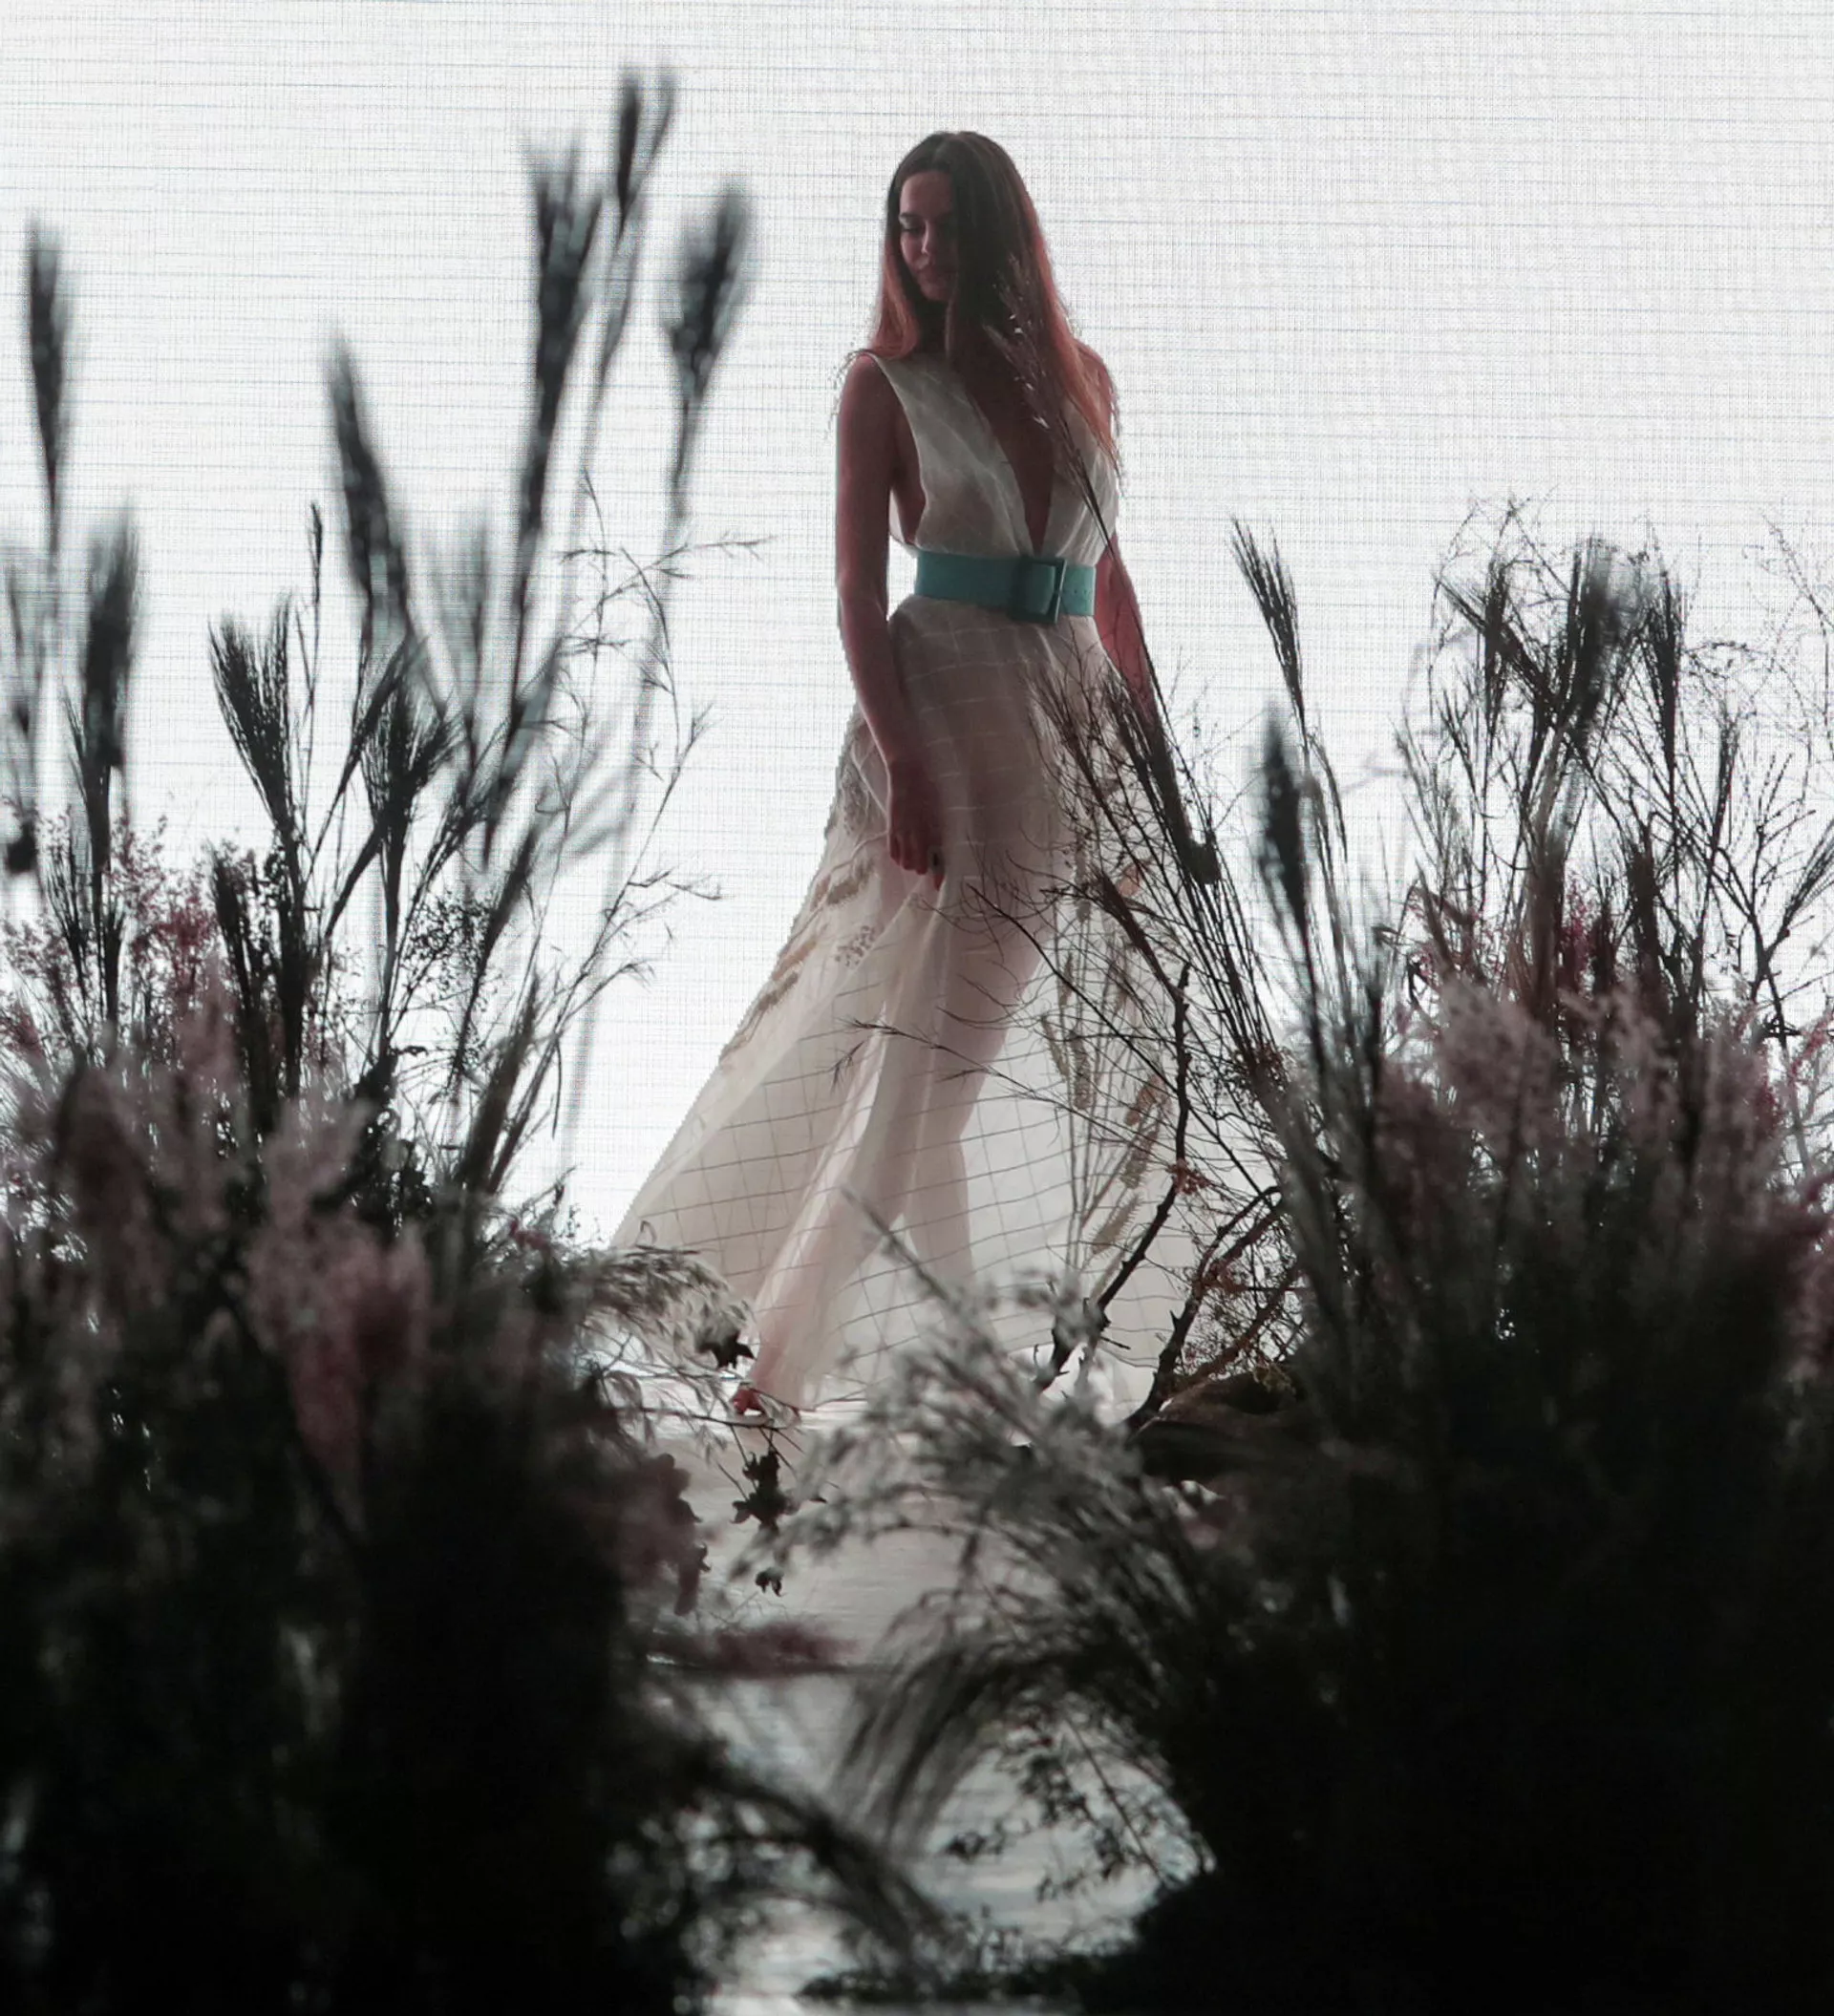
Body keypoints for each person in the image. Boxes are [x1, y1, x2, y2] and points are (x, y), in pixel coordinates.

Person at [615, 131, 1166, 1417]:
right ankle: (823, 1369)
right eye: (906, 226)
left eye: (946, 224)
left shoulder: (1084, 378)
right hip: (946, 710)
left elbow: (1110, 577)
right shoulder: (883, 386)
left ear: (1001, 229)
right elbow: (858, 597)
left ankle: (928, 1359)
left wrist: (1152, 748)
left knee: (960, 1057)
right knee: (926, 1052)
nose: (922, 249)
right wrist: (906, 762)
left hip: (1070, 722)